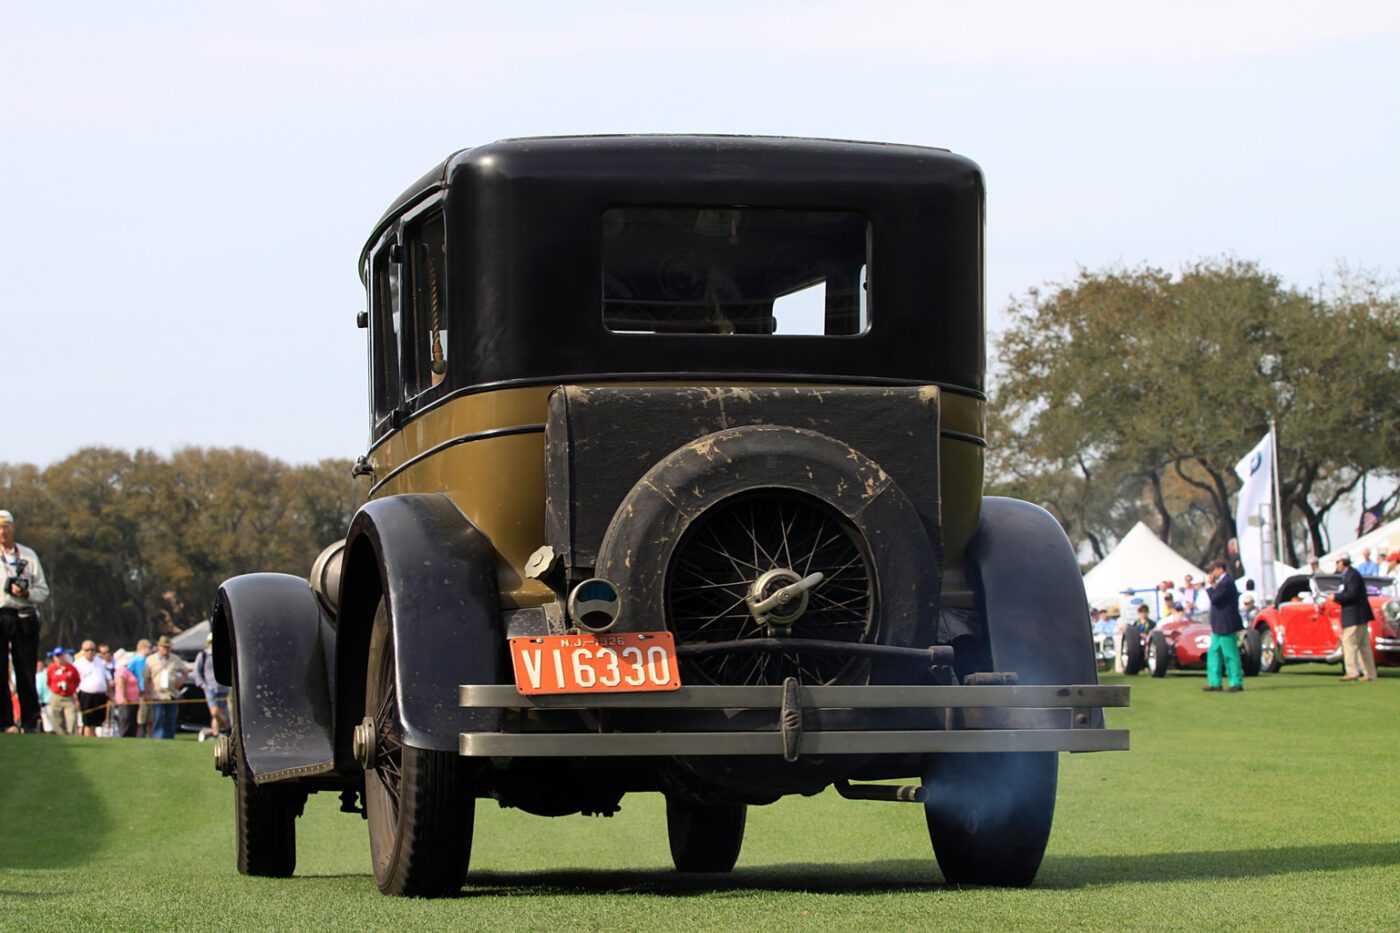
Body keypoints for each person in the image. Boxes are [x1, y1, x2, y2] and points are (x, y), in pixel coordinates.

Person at [0, 510, 50, 733]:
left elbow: (43, 590)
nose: (2, 531)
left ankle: (31, 722)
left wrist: (26, 593)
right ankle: (5, 721)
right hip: (1, 614)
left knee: (26, 670)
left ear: (13, 528)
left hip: (24, 615)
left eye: (6, 526)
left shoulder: (28, 555)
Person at [1203, 559, 1244, 692]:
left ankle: (1236, 682)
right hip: (1218, 626)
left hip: (1226, 625)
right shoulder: (1223, 582)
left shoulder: (1227, 582)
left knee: (1230, 655)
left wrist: (1209, 587)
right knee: (1214, 654)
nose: (1211, 573)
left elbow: (1216, 598)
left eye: (1212, 570)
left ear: (1220, 569)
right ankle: (1215, 682)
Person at [1335, 554, 1377, 682]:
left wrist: (1336, 598)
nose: (1337, 565)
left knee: (1348, 642)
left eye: (1338, 562)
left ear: (1343, 562)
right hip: (1359, 615)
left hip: (1354, 615)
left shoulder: (1352, 576)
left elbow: (1352, 595)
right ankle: (1370, 674)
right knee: (1363, 646)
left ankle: (1352, 672)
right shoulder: (1350, 575)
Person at [144, 635, 188, 739]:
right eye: (163, 647)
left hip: (171, 693)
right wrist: (146, 692)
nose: (166, 649)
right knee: (158, 717)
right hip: (157, 694)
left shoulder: (175, 659)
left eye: (168, 647)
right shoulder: (151, 660)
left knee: (171, 718)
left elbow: (185, 672)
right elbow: (146, 678)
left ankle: (169, 737)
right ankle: (158, 738)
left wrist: (180, 682)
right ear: (158, 647)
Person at [192, 633, 229, 742]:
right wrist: (203, 685)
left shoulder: (223, 654)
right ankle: (228, 728)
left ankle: (216, 734)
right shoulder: (203, 655)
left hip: (222, 688)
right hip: (210, 688)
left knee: (219, 713)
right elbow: (196, 672)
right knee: (214, 712)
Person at [73, 640, 112, 737]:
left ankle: (95, 738)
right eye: (87, 650)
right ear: (83, 651)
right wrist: (76, 699)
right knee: (88, 722)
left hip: (100, 695)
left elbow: (106, 678)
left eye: (92, 649)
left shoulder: (99, 662)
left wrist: (110, 693)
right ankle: (88, 738)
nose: (90, 652)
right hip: (86, 695)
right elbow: (74, 683)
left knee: (98, 722)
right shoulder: (78, 664)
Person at [45, 648, 81, 733]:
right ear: (54, 657)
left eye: (61, 655)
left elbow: (77, 680)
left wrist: (71, 689)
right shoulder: (51, 669)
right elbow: (49, 682)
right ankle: (61, 736)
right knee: (57, 720)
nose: (60, 658)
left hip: (68, 697)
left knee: (71, 718)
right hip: (56, 696)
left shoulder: (71, 668)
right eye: (57, 656)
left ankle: (72, 736)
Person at [110, 649, 142, 737]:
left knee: (132, 723)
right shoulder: (122, 670)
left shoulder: (126, 669)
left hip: (133, 701)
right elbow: (121, 684)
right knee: (126, 722)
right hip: (126, 702)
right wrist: (125, 698)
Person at [127, 638, 153, 737]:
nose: (150, 649)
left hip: (149, 691)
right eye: (149, 647)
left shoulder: (147, 660)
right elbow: (128, 674)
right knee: (141, 718)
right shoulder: (135, 660)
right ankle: (139, 737)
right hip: (140, 691)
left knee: (150, 717)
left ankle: (151, 737)